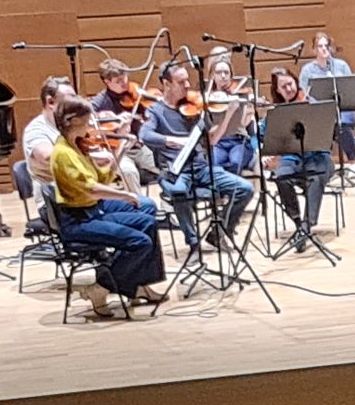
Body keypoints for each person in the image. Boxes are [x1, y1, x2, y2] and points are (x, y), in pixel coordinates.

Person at [49, 95, 166, 314]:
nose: (91, 123)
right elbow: (91, 188)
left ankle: (138, 286)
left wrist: (120, 150)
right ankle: (101, 287)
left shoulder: (77, 145)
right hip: (78, 220)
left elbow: (101, 178)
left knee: (148, 222)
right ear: (72, 121)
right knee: (139, 242)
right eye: (87, 119)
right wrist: (124, 195)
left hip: (93, 210)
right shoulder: (63, 153)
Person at [139, 61, 254, 250]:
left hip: (201, 167)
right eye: (181, 82)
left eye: (187, 81)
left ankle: (219, 232)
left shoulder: (195, 108)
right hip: (176, 171)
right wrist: (174, 140)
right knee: (178, 191)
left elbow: (213, 140)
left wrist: (228, 114)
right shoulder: (156, 111)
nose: (187, 86)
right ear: (166, 84)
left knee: (245, 188)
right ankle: (193, 243)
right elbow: (145, 135)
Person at [264, 66, 332, 252]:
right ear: (277, 91)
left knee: (316, 177)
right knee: (281, 177)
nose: (288, 89)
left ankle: (306, 227)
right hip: (291, 157)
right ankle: (298, 223)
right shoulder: (278, 111)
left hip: (317, 155)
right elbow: (261, 134)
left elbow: (328, 129)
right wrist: (262, 151)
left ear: (296, 82)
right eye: (283, 87)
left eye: (290, 84)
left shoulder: (312, 103)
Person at [90, 59, 158, 186]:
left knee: (164, 168)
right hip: (119, 150)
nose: (124, 83)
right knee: (129, 172)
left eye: (125, 77)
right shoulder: (101, 101)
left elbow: (151, 112)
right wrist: (114, 118)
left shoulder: (135, 92)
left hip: (139, 146)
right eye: (118, 81)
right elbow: (87, 114)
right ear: (107, 82)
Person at [298, 32, 355, 164]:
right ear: (314, 49)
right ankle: (323, 163)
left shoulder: (341, 65)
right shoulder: (307, 70)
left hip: (341, 110)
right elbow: (304, 94)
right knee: (321, 124)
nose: (324, 49)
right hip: (319, 111)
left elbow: (351, 89)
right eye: (320, 46)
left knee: (343, 123)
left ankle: (352, 160)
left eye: (326, 45)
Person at [202, 56, 258, 176]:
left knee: (235, 162)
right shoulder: (208, 98)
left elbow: (244, 124)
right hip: (219, 142)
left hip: (239, 140)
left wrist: (250, 111)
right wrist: (229, 113)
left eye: (226, 72)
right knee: (215, 164)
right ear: (212, 75)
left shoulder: (240, 94)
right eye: (219, 72)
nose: (223, 76)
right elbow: (211, 133)